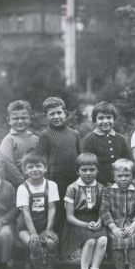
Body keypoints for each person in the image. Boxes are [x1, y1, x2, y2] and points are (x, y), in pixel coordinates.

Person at [59, 153, 108, 269]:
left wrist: (100, 221)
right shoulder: (72, 188)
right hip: (77, 222)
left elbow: (102, 210)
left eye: (92, 170)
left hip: (95, 220)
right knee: (90, 240)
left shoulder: (101, 188)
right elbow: (69, 217)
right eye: (84, 170)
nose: (88, 173)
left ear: (97, 171)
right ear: (77, 171)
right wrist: (86, 225)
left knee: (103, 239)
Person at [37, 97, 81, 234]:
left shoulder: (75, 134)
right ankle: (56, 239)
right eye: (52, 114)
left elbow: (80, 157)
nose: (56, 117)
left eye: (59, 113)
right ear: (46, 116)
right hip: (54, 180)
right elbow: (42, 160)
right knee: (57, 211)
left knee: (72, 209)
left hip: (73, 179)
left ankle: (72, 239)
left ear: (65, 113)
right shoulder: (45, 135)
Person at [15, 151, 60, 269]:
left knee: (52, 243)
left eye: (38, 166)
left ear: (45, 168)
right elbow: (26, 212)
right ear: (25, 170)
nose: (35, 169)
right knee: (34, 244)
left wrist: (49, 229)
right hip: (26, 228)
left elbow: (52, 207)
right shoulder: (22, 188)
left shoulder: (51, 185)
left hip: (44, 226)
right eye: (30, 167)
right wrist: (33, 233)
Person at [100, 159, 135, 269]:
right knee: (115, 239)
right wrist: (113, 228)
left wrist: (133, 226)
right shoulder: (108, 190)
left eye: (127, 175)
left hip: (132, 224)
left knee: (134, 237)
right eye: (119, 176)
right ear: (113, 177)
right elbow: (105, 211)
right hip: (115, 224)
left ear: (133, 176)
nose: (123, 179)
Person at [82, 102, 131, 186]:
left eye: (109, 117)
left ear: (114, 119)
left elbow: (127, 162)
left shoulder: (121, 139)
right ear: (95, 120)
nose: (105, 121)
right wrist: (105, 183)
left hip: (120, 183)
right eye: (101, 118)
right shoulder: (89, 139)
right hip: (97, 184)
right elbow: (88, 165)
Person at [0, 100, 39, 188]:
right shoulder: (9, 140)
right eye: (15, 118)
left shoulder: (35, 140)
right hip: (16, 185)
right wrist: (22, 183)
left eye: (24, 118)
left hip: (36, 183)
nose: (20, 121)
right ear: (9, 120)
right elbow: (8, 165)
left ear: (30, 119)